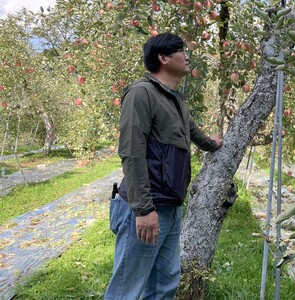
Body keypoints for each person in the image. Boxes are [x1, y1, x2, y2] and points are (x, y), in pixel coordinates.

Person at [105, 32, 222, 300]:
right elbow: (132, 153)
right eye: (181, 50)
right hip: (147, 208)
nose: (187, 55)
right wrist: (144, 209)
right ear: (163, 57)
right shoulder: (141, 93)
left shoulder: (175, 99)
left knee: (165, 284)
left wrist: (214, 144)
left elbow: (194, 133)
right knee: (128, 288)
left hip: (170, 206)